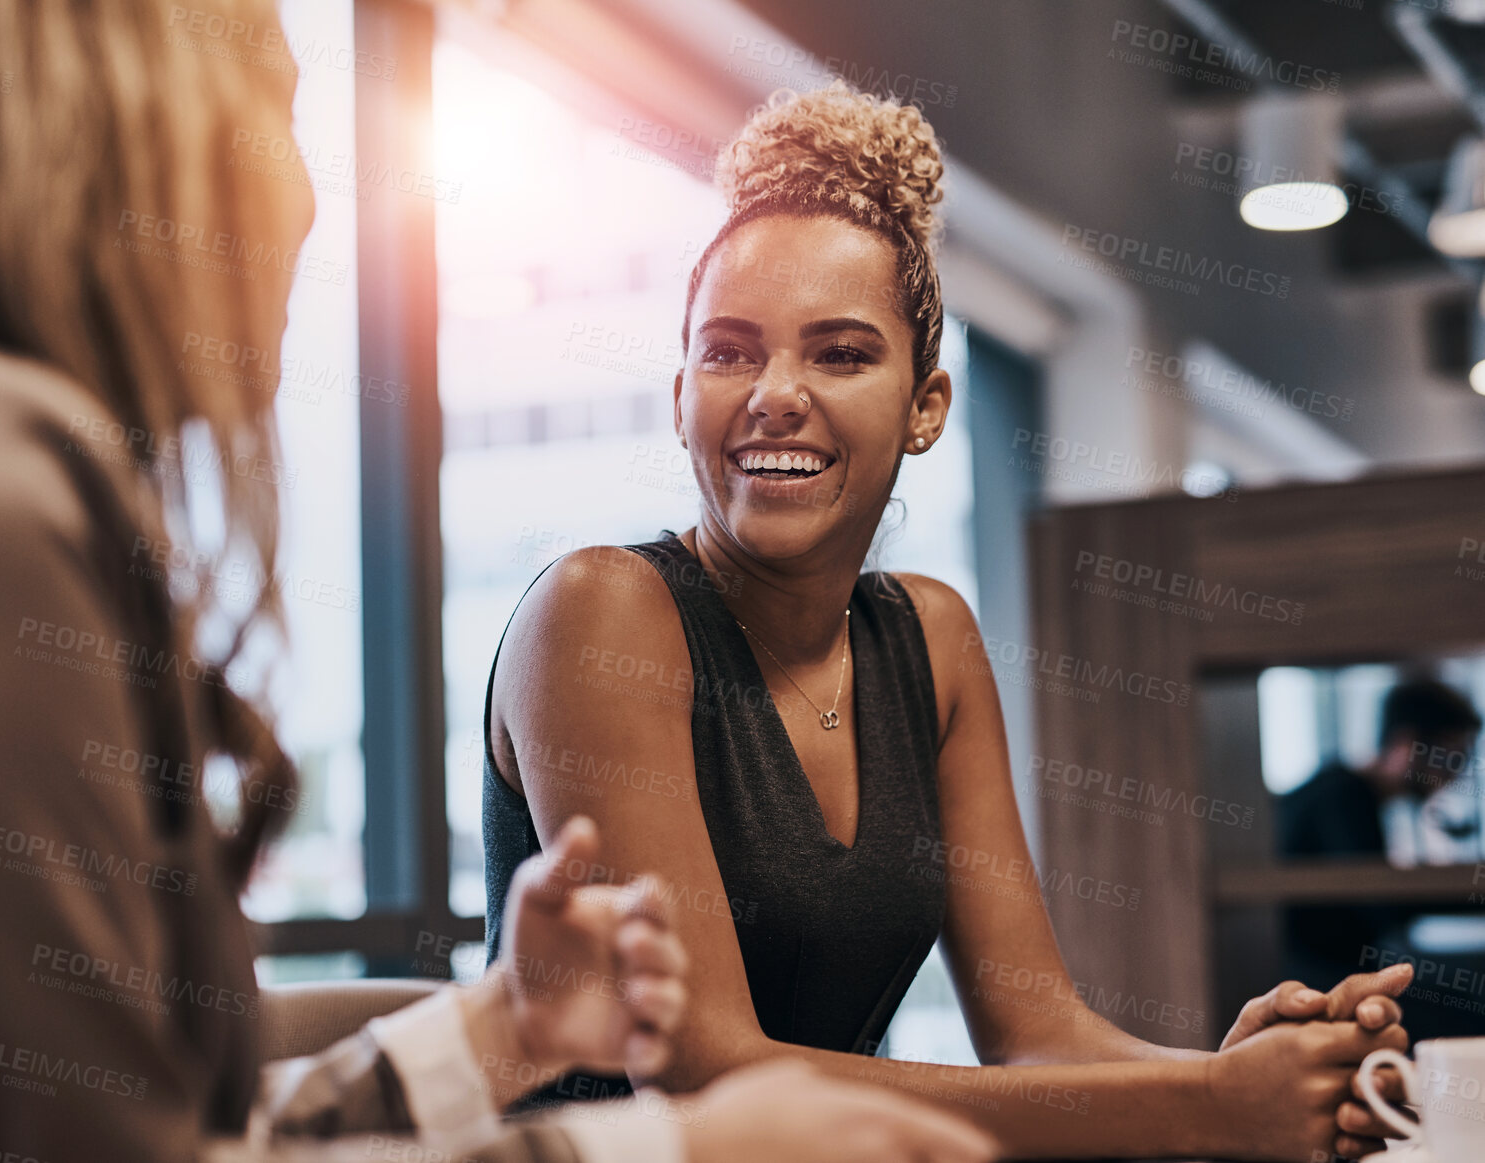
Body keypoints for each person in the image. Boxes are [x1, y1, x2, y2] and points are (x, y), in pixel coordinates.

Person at [0, 2, 1003, 1161]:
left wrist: (504, 1028)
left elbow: (178, 1126)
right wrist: (673, 1144)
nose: (307, 205)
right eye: (282, 119)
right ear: (135, 126)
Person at [482, 80, 1414, 1161]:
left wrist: (1235, 1074)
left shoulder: (930, 638)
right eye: (730, 350)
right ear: (680, 387)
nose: (773, 392)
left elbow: (1036, 1033)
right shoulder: (600, 614)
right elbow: (705, 1073)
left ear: (927, 406)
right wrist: (1208, 1107)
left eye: (839, 352)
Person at [1278, 678, 1484, 1032]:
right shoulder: (1342, 796)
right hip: (1323, 983)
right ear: (1406, 744)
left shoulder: (1346, 791)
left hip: (1336, 974)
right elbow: (1382, 903)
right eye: (1449, 757)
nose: (1452, 775)